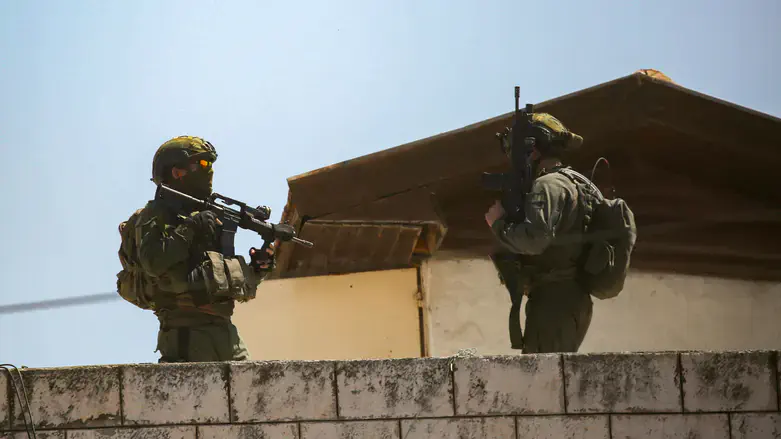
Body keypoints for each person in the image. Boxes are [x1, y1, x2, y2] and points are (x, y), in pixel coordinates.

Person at [116, 136, 274, 362]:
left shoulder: (209, 217)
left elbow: (219, 277)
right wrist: (190, 227)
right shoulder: (154, 215)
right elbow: (153, 262)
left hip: (225, 332)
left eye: (210, 165)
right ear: (176, 172)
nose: (208, 171)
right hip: (185, 334)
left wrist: (258, 268)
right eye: (201, 164)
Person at [484, 113, 593, 354]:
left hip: (556, 300)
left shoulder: (548, 185)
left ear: (532, 151)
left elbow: (535, 240)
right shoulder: (568, 181)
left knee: (544, 382)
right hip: (560, 297)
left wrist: (499, 224)